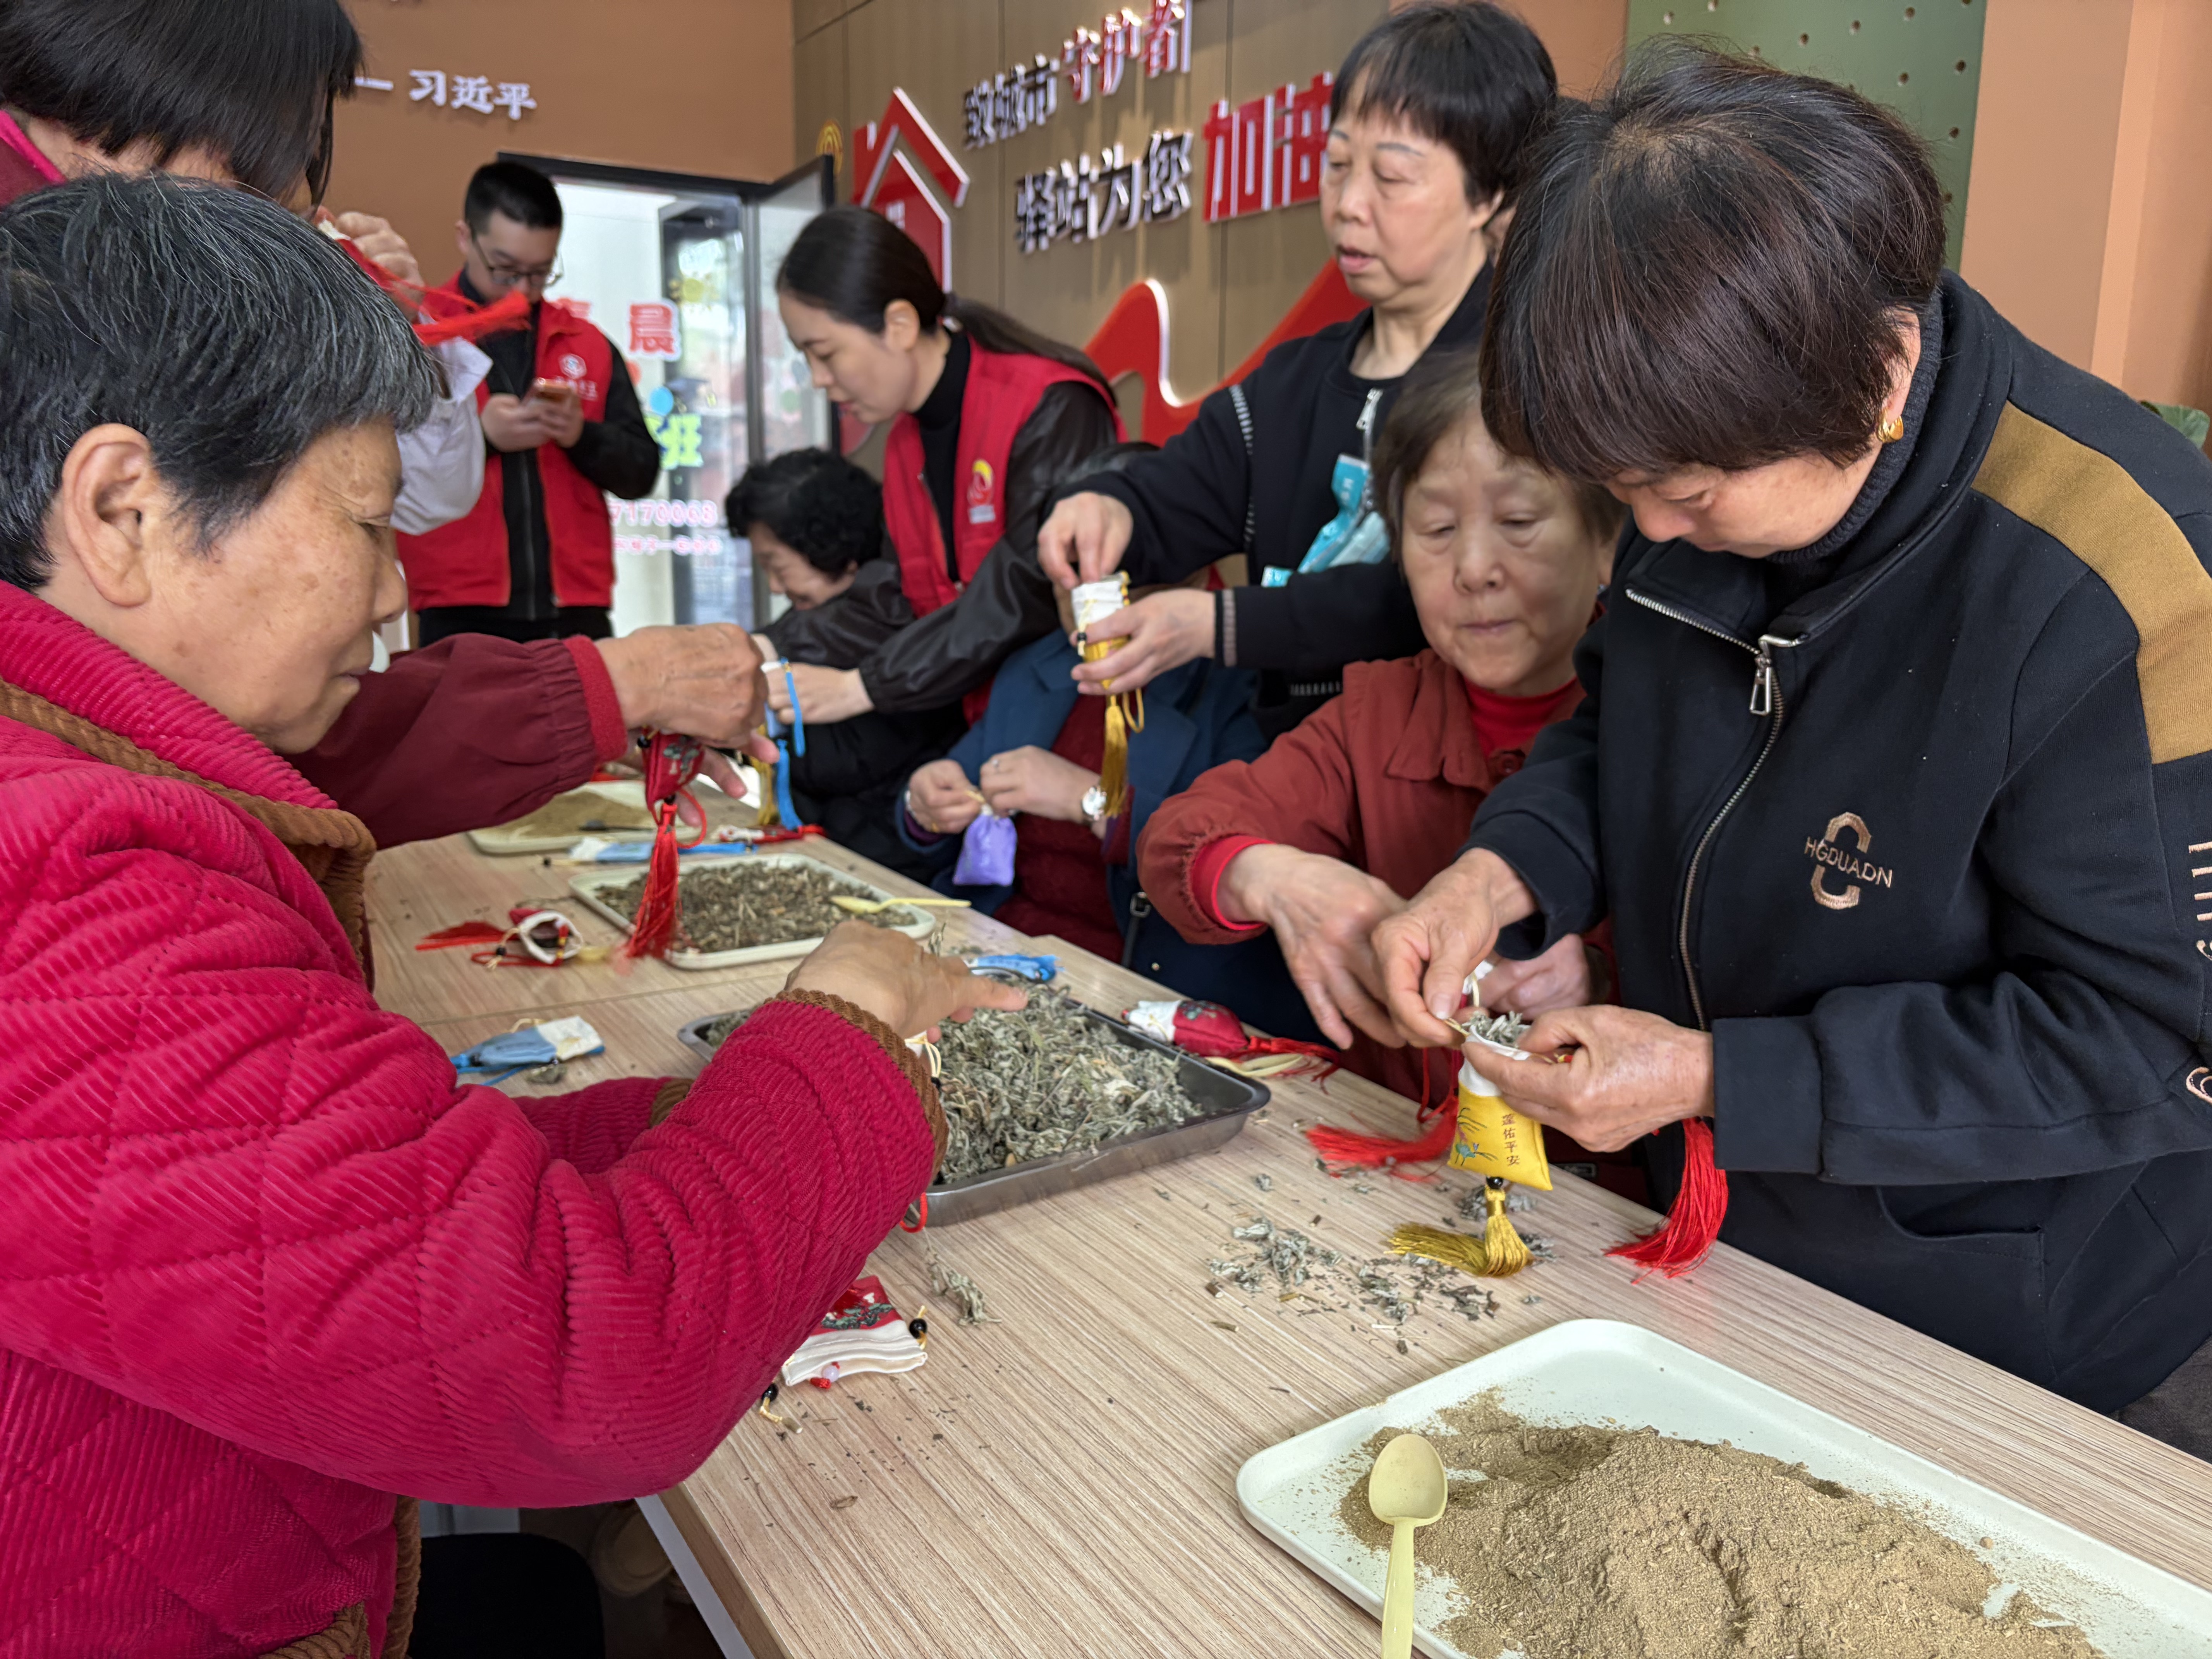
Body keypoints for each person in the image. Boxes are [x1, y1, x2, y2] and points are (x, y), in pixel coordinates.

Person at [0, 175, 1024, 1657]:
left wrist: (699, 1119)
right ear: (122, 511)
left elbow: (333, 1187)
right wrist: (847, 1013)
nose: (394, 591)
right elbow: (582, 1360)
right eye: (366, 524)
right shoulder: (69, 881)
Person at [1372, 46, 2212, 1440]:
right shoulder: (1709, 437)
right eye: (1622, 488)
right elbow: (1618, 726)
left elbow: (2145, 1040)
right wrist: (1505, 873)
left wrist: (1720, 1077)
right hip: (1725, 1241)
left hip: (2017, 1314)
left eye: (1686, 492)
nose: (1650, 532)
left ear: (1877, 371)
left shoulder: (2128, 590)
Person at [0, 0, 776, 847]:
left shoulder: (571, 340)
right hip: (473, 611)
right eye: (270, 175)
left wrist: (574, 446)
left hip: (565, 606)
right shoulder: (78, 296)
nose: (289, 207)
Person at [1035, 0, 1556, 735]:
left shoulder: (1526, 384)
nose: (1348, 205)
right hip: (1287, 766)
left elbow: (1420, 599)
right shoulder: (1289, 386)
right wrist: (1104, 507)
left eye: (1391, 176)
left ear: (1489, 194)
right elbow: (1169, 497)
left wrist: (1219, 624)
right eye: (1337, 165)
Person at [1139, 352, 1615, 1119]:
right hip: (1396, 1143)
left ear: (1608, 542)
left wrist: (1598, 975)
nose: (1473, 569)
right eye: (1437, 530)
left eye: (1519, 523)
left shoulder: (1663, 719)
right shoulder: (1376, 713)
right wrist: (1273, 879)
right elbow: (1175, 840)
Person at [767, 204, 1121, 729]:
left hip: (1090, 721)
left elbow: (1024, 593)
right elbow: (894, 598)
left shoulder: (1049, 405)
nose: (818, 379)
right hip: (994, 728)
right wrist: (765, 647)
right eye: (806, 359)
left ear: (900, 325)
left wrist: (863, 687)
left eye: (825, 353)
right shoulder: (904, 441)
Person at [400, 160, 662, 646]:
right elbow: (389, 468)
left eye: (540, 274)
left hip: (575, 608)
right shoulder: (422, 337)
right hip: (459, 607)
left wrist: (581, 436)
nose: (522, 290)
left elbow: (641, 473)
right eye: (506, 269)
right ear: (465, 238)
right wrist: (479, 438)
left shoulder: (587, 344)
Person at [732, 446, 963, 875]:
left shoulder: (897, 616)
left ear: (827, 547)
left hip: (889, 858)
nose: (775, 586)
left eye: (776, 565)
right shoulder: (815, 614)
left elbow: (840, 764)